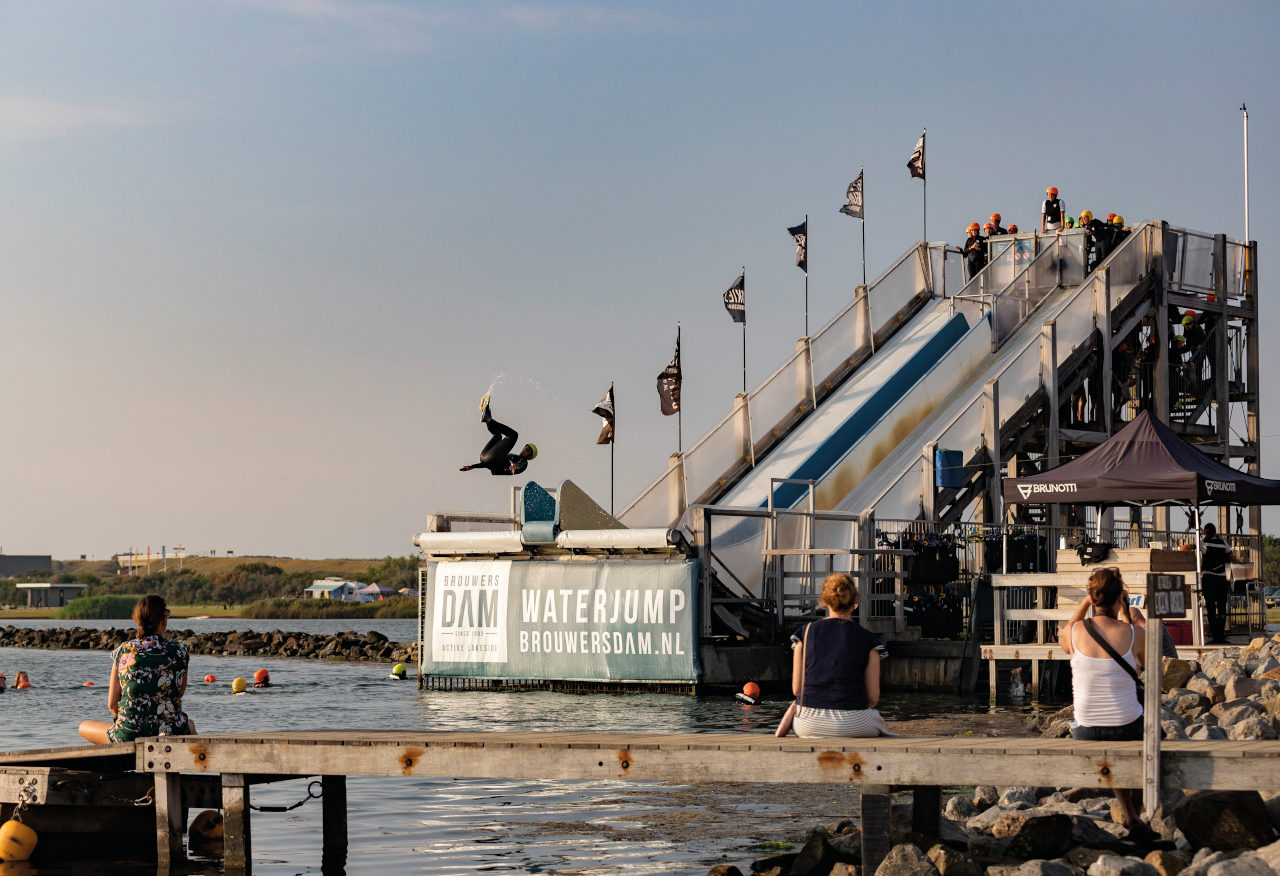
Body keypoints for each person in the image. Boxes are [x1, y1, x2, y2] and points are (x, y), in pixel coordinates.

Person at [1058, 567, 1147, 833]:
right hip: (1126, 727)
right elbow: (1143, 663)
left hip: (1086, 730)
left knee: (1116, 742)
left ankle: (1130, 814)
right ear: (1120, 596)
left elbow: (1065, 633)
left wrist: (1086, 601)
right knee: (1150, 736)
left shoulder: (1074, 633)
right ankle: (1136, 812)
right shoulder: (1134, 634)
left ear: (1092, 597)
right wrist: (1126, 613)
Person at [78, 594, 196, 743]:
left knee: (84, 726)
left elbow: (112, 705)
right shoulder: (180, 651)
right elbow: (179, 692)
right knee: (189, 725)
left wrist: (127, 725)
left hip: (129, 732)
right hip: (171, 730)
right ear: (163, 621)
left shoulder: (123, 651)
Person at [790, 572, 894, 738]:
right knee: (877, 721)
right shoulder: (869, 640)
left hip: (809, 723)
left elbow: (796, 689)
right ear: (854, 602)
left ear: (824, 602)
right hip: (853, 721)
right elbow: (873, 698)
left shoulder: (805, 633)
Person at [460, 396, 537, 476]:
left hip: (489, 459)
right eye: (525, 448)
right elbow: (490, 463)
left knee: (514, 435)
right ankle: (486, 417)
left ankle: (488, 419)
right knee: (497, 436)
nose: (524, 450)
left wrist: (515, 466)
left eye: (527, 450)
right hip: (484, 458)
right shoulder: (513, 457)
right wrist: (472, 467)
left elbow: (520, 464)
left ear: (530, 456)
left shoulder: (524, 462)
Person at [1200, 523, 1232, 644]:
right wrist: (1240, 562)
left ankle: (1214, 635)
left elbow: (1185, 548)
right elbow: (1230, 556)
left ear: (1205, 533)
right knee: (1222, 608)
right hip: (1221, 578)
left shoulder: (1203, 543)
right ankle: (1221, 634)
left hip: (1209, 578)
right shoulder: (1223, 542)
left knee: (1211, 607)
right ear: (1215, 532)